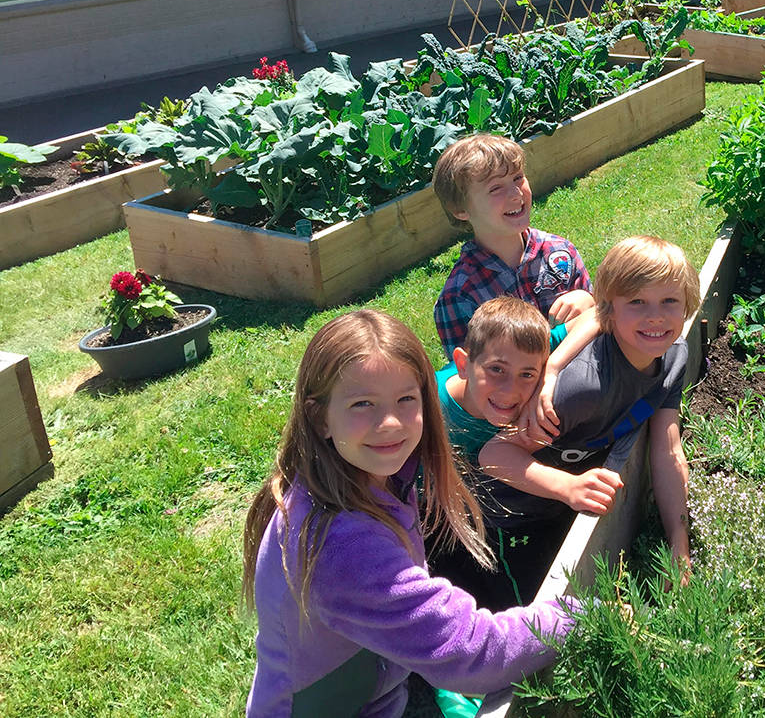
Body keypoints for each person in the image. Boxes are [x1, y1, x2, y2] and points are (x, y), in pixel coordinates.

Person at [242, 309, 573, 718]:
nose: (390, 422)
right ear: (318, 416)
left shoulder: (373, 473)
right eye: (363, 403)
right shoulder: (342, 546)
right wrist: (576, 613)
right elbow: (471, 654)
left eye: (405, 399)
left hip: (370, 688)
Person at [472, 236, 702, 607]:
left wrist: (678, 539)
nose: (655, 316)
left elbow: (667, 450)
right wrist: (568, 487)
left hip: (556, 506)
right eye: (637, 302)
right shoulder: (582, 387)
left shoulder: (673, 358)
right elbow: (495, 455)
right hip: (503, 515)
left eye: (669, 301)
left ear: (688, 303)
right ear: (609, 310)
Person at [433, 296, 624, 610]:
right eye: (497, 370)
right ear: (463, 364)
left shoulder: (527, 346)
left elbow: (598, 313)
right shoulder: (432, 410)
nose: (511, 391)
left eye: (527, 375)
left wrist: (551, 372)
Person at [432, 133, 594, 358]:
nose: (516, 193)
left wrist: (588, 302)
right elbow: (470, 380)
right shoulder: (460, 297)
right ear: (460, 209)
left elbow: (603, 324)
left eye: (518, 177)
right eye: (495, 188)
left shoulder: (560, 253)